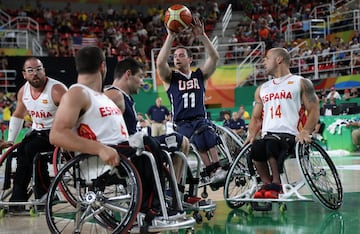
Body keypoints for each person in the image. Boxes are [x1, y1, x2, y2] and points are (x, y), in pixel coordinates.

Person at [49, 47, 170, 222]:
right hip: (98, 160)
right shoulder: (77, 93)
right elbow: (57, 135)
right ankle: (150, 210)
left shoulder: (101, 96)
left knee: (154, 145)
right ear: (103, 66)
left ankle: (163, 203)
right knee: (148, 145)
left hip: (118, 151)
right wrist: (100, 149)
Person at [156, 16, 226, 183]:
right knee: (196, 138)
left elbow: (214, 58)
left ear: (190, 59)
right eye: (175, 56)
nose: (177, 58)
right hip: (182, 123)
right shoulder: (170, 78)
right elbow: (160, 63)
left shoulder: (199, 75)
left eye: (181, 55)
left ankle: (217, 169)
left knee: (206, 132)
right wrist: (170, 37)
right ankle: (210, 172)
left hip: (200, 118)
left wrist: (202, 36)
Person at [246, 48, 319, 199]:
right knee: (257, 147)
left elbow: (314, 109)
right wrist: (251, 133)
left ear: (279, 59)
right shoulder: (262, 88)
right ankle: (266, 185)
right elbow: (256, 117)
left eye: (267, 58)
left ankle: (277, 184)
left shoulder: (301, 82)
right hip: (269, 137)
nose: (263, 61)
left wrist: (305, 131)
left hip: (292, 136)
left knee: (271, 143)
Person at [104, 57, 189, 184]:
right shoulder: (115, 95)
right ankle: (174, 192)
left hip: (136, 144)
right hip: (132, 149)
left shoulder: (122, 96)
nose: (142, 82)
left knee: (184, 142)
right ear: (128, 74)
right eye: (140, 77)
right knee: (181, 141)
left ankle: (175, 191)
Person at [6, 57, 68, 210]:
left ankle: (46, 194)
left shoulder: (57, 90)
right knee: (21, 151)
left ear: (44, 71)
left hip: (57, 133)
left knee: (32, 150)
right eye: (31, 70)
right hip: (37, 132)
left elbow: (72, 116)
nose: (35, 73)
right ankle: (17, 199)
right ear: (24, 74)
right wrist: (10, 140)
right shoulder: (23, 91)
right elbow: (18, 115)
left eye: (39, 69)